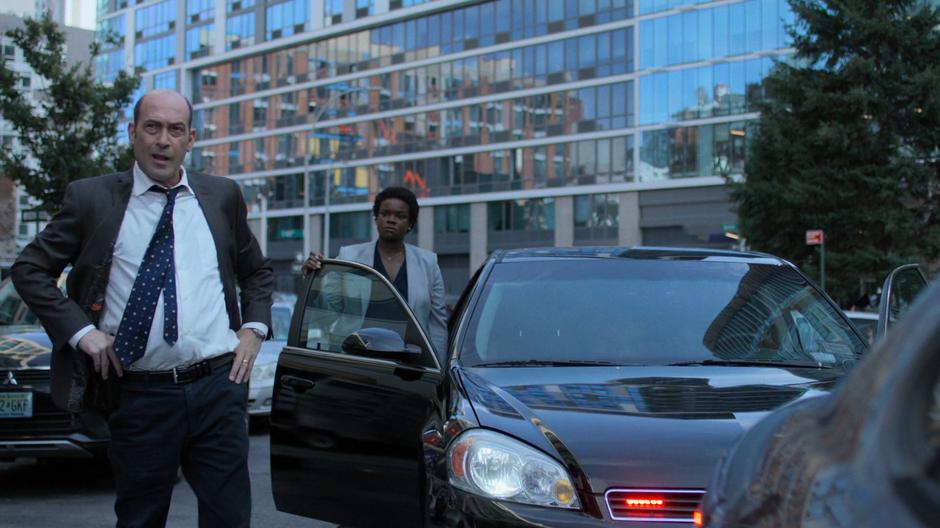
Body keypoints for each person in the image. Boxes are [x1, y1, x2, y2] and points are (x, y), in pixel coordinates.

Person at [11, 90, 273, 527]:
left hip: (218, 386)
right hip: (140, 394)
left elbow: (258, 272)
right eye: (152, 127)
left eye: (175, 130)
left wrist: (255, 327)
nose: (162, 140)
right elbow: (29, 269)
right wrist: (81, 332)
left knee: (229, 518)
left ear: (190, 139)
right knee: (140, 518)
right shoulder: (91, 199)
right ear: (133, 133)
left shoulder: (222, 196)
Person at [303, 186, 447, 360]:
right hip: (357, 359)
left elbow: (437, 325)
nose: (391, 220)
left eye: (400, 216)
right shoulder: (349, 256)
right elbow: (326, 312)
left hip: (410, 364)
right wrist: (315, 277)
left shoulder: (429, 263)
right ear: (376, 218)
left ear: (410, 223)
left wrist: (437, 367)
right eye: (385, 214)